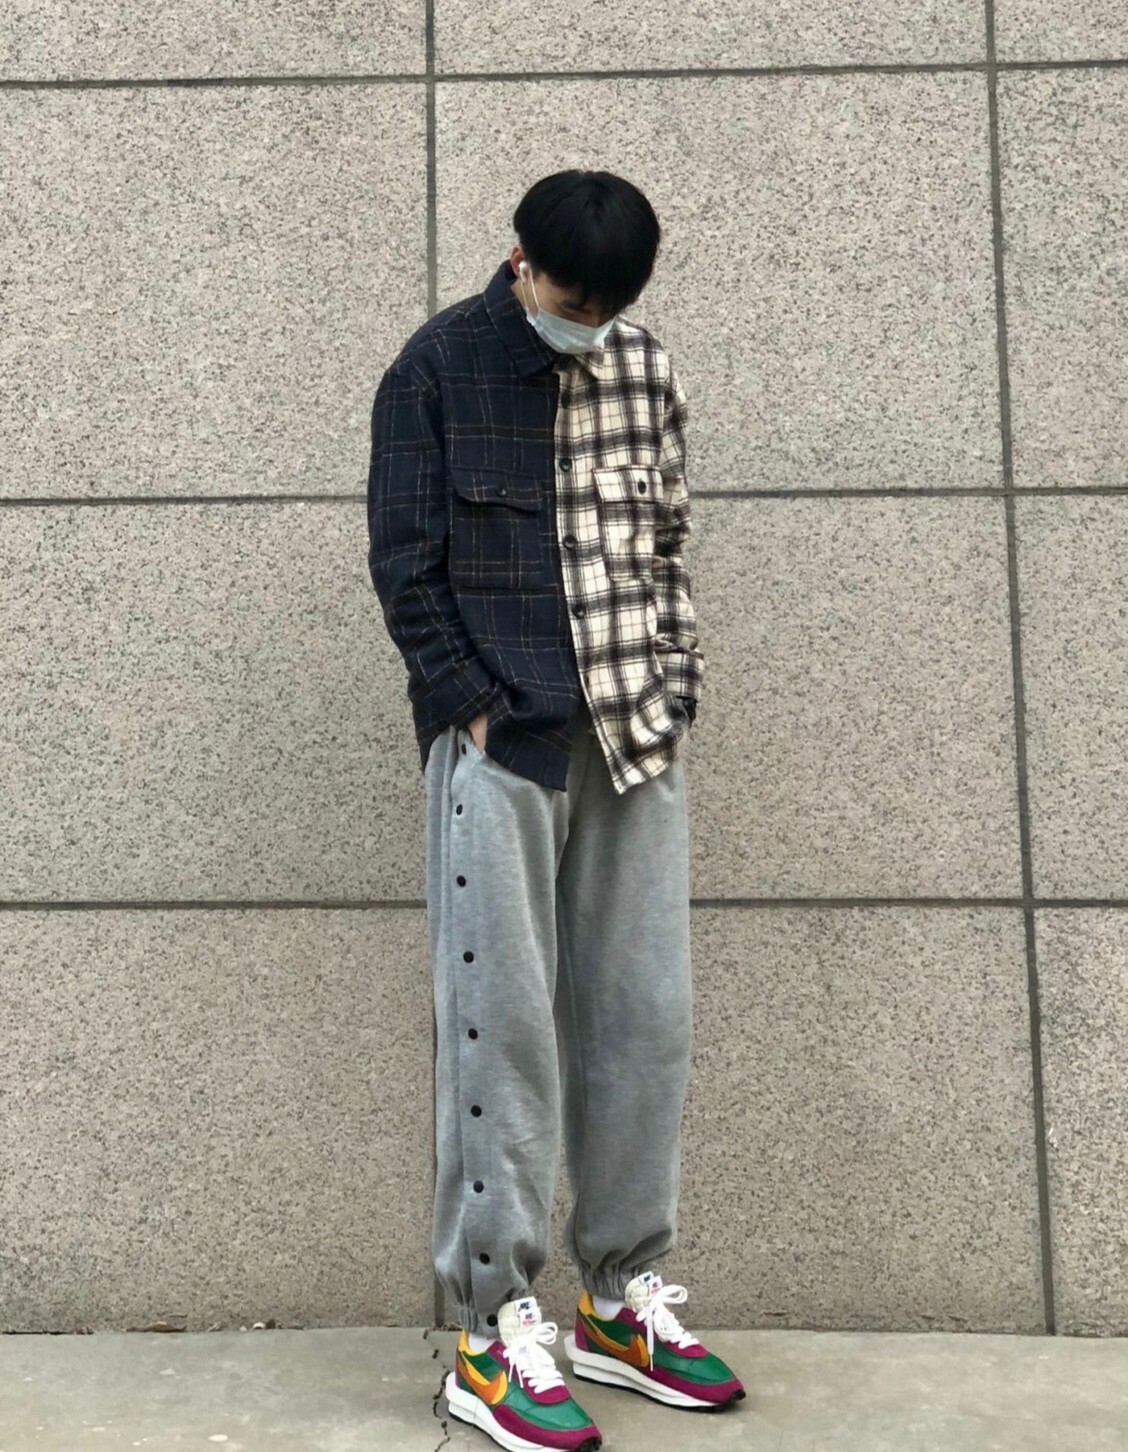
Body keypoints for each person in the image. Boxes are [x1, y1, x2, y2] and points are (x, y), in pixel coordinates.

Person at [367, 169, 745, 1452]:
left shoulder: (643, 367)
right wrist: (471, 709)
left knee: (647, 1020)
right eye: (570, 301)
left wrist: (675, 688)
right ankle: (492, 1334)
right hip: (506, 746)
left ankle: (620, 1299)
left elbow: (667, 543)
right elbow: (405, 566)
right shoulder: (438, 368)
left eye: (605, 309)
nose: (586, 326)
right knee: (505, 1036)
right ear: (519, 259)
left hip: (634, 737)